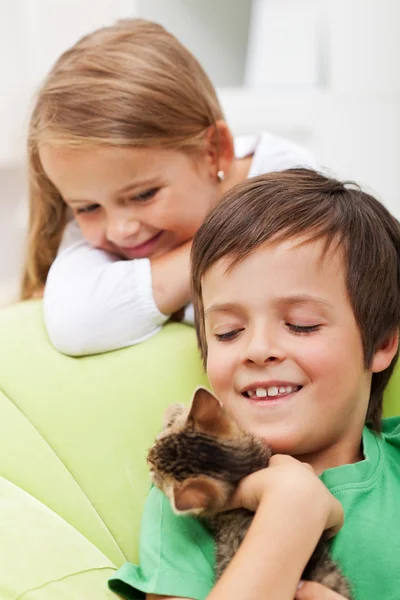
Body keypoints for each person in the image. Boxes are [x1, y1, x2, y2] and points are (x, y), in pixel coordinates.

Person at [108, 169, 400, 600]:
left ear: (381, 342)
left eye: (301, 325)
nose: (258, 349)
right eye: (227, 332)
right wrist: (290, 508)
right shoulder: (195, 497)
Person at [21, 18, 317, 356]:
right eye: (87, 208)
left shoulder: (290, 182)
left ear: (214, 153)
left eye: (144, 195)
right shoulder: (96, 227)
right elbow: (76, 324)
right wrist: (224, 252)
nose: (120, 230)